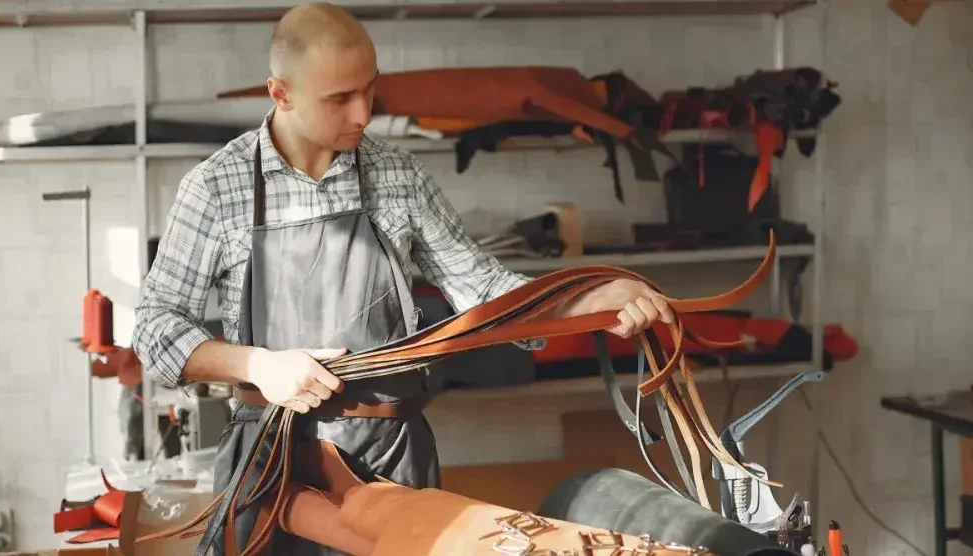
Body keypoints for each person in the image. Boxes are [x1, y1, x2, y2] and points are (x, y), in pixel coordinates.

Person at [132, 2, 675, 554]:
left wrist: (591, 298)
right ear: (281, 93)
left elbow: (480, 289)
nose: (363, 113)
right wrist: (259, 365)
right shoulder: (217, 187)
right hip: (273, 462)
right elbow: (154, 328)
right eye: (339, 98)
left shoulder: (398, 175)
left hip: (390, 463)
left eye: (370, 89)